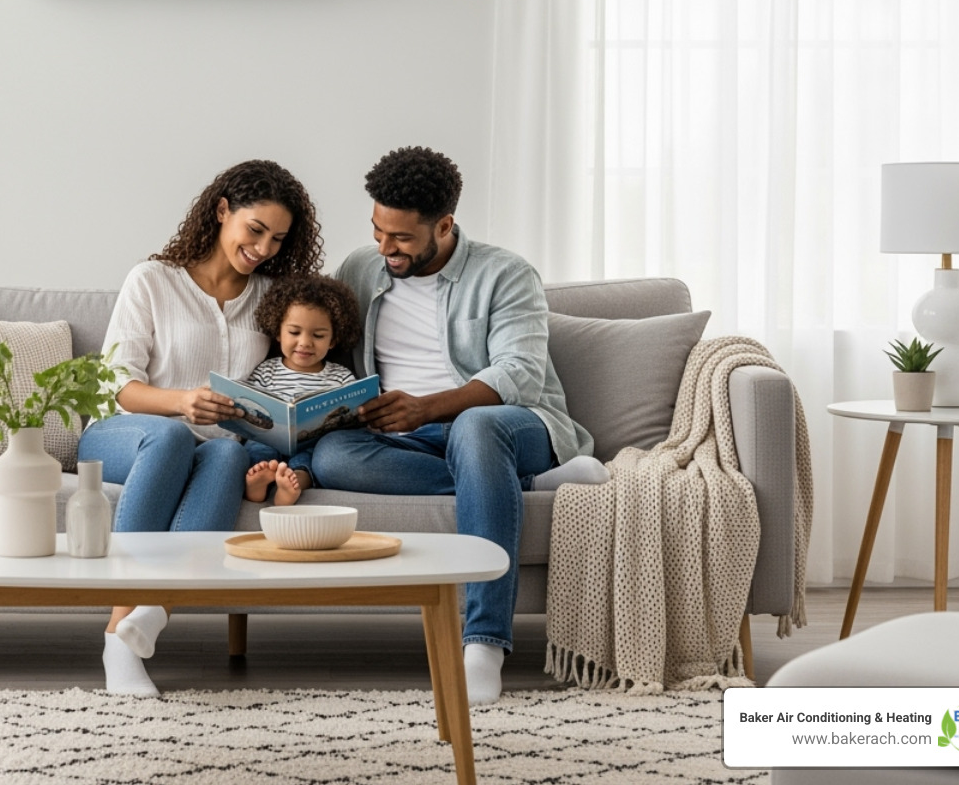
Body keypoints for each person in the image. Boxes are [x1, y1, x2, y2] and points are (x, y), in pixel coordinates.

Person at [310, 146, 608, 706]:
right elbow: (327, 345)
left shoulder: (506, 273)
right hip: (402, 436)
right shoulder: (359, 269)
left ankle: (484, 644)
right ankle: (512, 486)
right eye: (377, 231)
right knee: (332, 458)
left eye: (400, 238)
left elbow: (518, 372)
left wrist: (426, 406)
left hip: (508, 423)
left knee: (474, 430)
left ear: (443, 225)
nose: (384, 248)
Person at [79, 159, 323, 697]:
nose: (263, 249)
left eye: (277, 239)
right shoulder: (153, 281)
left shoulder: (271, 299)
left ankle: (151, 613)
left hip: (216, 441)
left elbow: (288, 371)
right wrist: (180, 402)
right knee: (169, 436)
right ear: (221, 211)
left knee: (229, 455)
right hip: (128, 433)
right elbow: (114, 384)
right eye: (254, 230)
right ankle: (117, 635)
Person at [240, 274, 362, 505]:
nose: (305, 342)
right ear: (278, 332)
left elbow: (353, 415)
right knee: (257, 448)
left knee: (310, 459)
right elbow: (249, 407)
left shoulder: (340, 377)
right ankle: (258, 483)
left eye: (318, 336)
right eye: (294, 332)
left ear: (333, 340)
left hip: (312, 443)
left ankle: (291, 484)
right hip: (269, 438)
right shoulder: (266, 371)